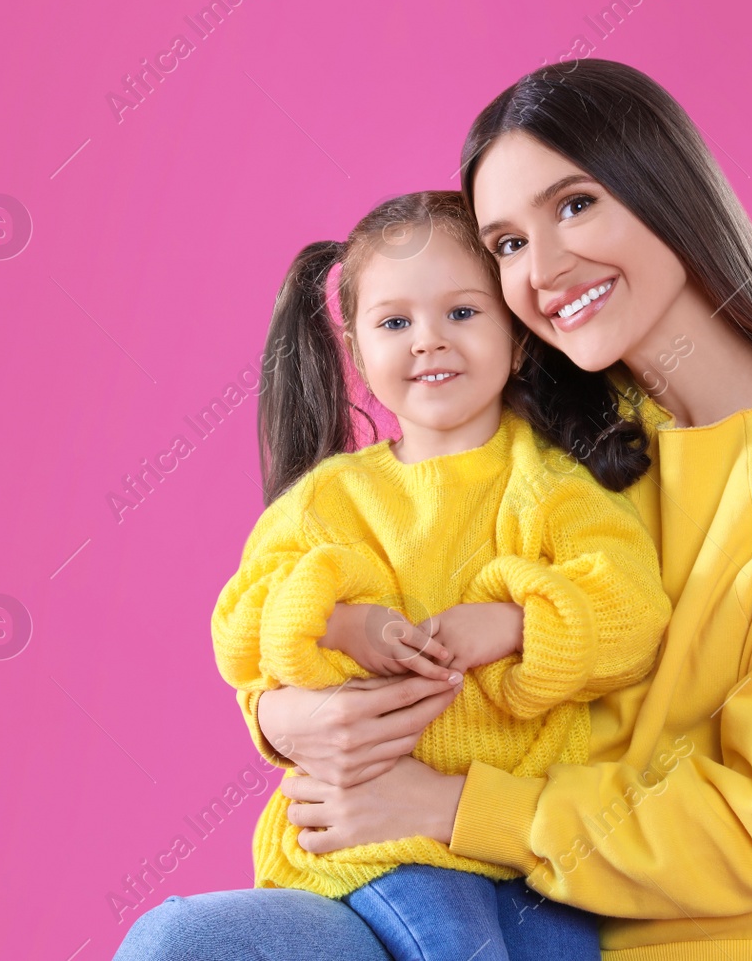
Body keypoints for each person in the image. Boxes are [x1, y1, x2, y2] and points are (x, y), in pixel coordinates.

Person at [119, 58, 752, 961]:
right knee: (187, 944)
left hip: (724, 930)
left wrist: (453, 806)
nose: (547, 268)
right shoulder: (542, 431)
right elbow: (345, 593)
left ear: (668, 192)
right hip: (476, 877)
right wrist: (282, 717)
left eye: (574, 205)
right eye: (509, 245)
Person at [160, 189, 671, 961]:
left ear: (519, 337)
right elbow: (239, 622)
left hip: (521, 846)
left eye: (462, 313)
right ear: (359, 353)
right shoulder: (332, 500)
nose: (429, 341)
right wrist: (340, 624)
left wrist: (511, 622)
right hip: (375, 838)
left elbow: (632, 609)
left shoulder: (554, 486)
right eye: (396, 323)